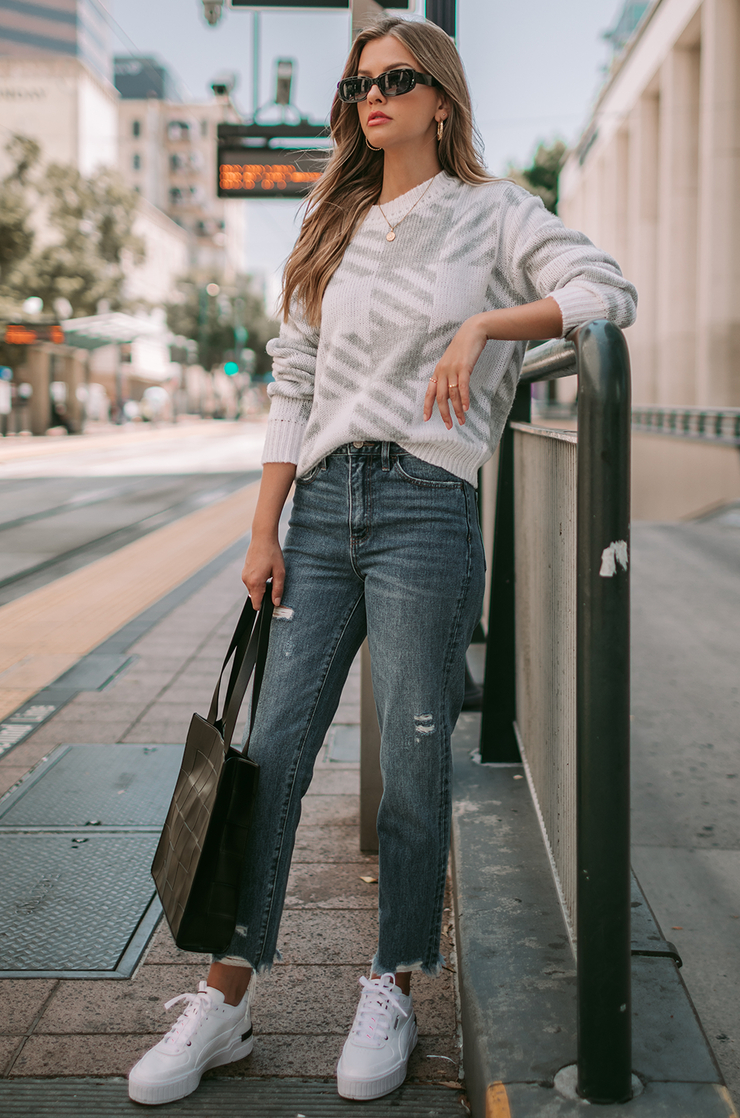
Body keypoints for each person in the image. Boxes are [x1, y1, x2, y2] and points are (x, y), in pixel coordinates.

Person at [128, 15, 637, 1107]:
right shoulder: (332, 216)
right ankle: (227, 993)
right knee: (269, 751)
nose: (374, 97)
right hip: (319, 508)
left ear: (440, 101)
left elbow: (606, 295)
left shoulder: (494, 213)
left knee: (411, 763)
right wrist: (263, 526)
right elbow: (292, 380)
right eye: (360, 83)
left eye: (398, 80)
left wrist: (487, 326)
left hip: (424, 507)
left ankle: (391, 979)